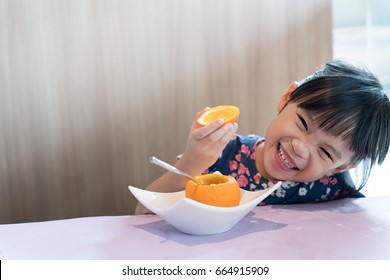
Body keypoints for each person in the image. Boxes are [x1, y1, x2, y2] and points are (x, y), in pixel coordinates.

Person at [135, 59, 390, 215]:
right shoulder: (221, 156)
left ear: (341, 166)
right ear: (286, 99)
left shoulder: (335, 189)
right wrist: (191, 162)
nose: (300, 148)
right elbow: (143, 213)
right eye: (302, 123)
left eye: (325, 152)